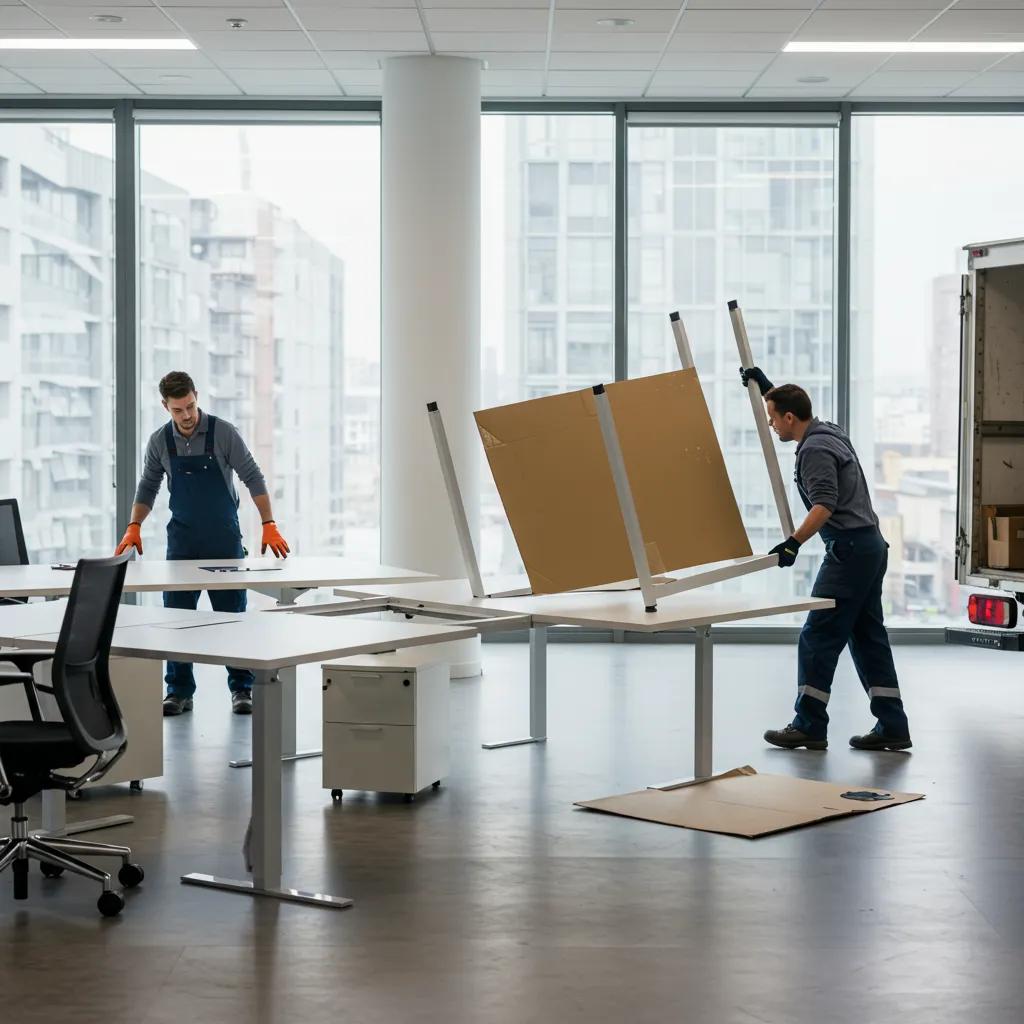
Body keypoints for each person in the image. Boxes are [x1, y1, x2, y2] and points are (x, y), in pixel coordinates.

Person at [739, 367, 912, 752]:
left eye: (773, 419)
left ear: (788, 417)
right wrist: (769, 390)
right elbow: (792, 409)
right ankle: (893, 725)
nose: (771, 426)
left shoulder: (814, 449)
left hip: (849, 551)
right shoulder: (829, 430)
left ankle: (808, 724)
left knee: (817, 635)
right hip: (870, 546)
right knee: (867, 638)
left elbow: (824, 505)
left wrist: (793, 543)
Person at [115, 371, 290, 718]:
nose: (187, 415)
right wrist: (134, 525)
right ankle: (179, 691)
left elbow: (252, 476)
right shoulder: (159, 442)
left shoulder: (223, 433)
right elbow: (148, 486)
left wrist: (268, 523)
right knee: (177, 618)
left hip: (224, 539)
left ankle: (242, 688)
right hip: (182, 541)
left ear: (197, 395)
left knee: (231, 617)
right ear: (166, 406)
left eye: (191, 406)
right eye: (178, 410)